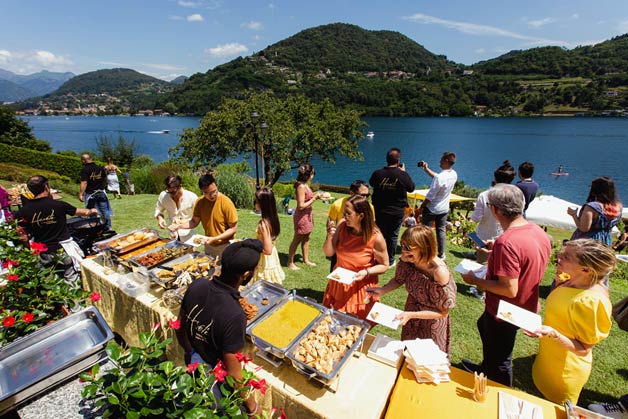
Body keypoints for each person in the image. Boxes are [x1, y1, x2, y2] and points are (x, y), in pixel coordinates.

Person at [460, 184, 551, 387]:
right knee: (483, 326)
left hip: (506, 311)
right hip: (524, 304)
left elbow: (509, 289)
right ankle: (485, 368)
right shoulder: (538, 232)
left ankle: (499, 389)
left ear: (494, 210)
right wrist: (496, 252)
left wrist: (474, 280)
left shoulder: (507, 242)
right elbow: (525, 260)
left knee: (501, 360)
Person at [175, 239, 263, 417]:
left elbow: (179, 326)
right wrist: (253, 408)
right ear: (246, 275)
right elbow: (234, 375)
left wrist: (188, 351)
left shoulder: (197, 285)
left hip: (195, 361)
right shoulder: (235, 315)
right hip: (215, 379)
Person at [527, 239, 615, 404]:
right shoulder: (572, 280)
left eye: (566, 256)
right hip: (549, 358)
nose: (559, 257)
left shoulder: (592, 302)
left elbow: (583, 349)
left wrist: (553, 334)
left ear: (586, 269)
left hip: (564, 371)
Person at [366, 225, 457, 355]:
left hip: (431, 323)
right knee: (407, 355)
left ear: (424, 247)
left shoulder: (439, 272)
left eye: (408, 247)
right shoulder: (408, 259)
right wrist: (383, 290)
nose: (403, 251)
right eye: (402, 245)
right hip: (410, 315)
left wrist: (411, 315)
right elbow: (399, 279)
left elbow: (443, 313)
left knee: (425, 360)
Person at [15, 175, 98, 284]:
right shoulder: (59, 205)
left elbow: (23, 237)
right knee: (72, 281)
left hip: (43, 252)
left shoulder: (23, 211)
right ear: (46, 187)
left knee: (51, 284)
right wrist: (91, 210)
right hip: (63, 249)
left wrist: (29, 248)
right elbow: (80, 212)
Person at [322, 195, 389, 319]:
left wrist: (366, 272)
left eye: (348, 214)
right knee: (331, 322)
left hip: (360, 287)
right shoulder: (342, 226)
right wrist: (329, 236)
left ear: (361, 216)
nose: (344, 217)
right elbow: (328, 253)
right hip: (339, 284)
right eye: (344, 213)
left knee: (354, 327)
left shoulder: (375, 237)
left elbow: (385, 265)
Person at [170, 173, 237, 258]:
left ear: (216, 186)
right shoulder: (200, 202)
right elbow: (194, 222)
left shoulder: (226, 202)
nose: (212, 195)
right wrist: (178, 226)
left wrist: (215, 238)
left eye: (214, 191)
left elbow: (233, 228)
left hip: (225, 246)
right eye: (207, 193)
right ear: (202, 191)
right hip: (208, 244)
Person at [369, 148, 415, 266]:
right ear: (398, 160)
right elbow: (411, 188)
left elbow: (372, 183)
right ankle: (389, 260)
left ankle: (375, 256)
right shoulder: (402, 175)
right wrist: (403, 172)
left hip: (381, 209)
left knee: (379, 233)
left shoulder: (378, 173)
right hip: (397, 211)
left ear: (387, 159)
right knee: (393, 235)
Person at [418, 152, 458, 260]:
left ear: (446, 160)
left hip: (432, 208)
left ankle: (425, 252)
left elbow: (430, 196)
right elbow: (437, 177)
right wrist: (426, 169)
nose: (439, 161)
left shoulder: (440, 177)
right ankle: (441, 254)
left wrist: (422, 206)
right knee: (441, 231)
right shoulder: (454, 174)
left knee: (426, 231)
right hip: (444, 208)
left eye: (441, 159)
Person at [327, 179, 373, 271]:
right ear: (351, 193)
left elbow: (371, 228)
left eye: (367, 195)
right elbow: (330, 222)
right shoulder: (337, 204)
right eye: (362, 195)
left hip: (359, 247)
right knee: (336, 274)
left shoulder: (370, 208)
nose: (365, 198)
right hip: (340, 246)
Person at [568, 176, 623, 247]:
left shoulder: (592, 207)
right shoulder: (618, 206)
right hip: (605, 241)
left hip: (587, 242)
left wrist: (574, 215)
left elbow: (584, 228)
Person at [287, 163, 320, 270]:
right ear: (309, 174)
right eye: (313, 173)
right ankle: (290, 262)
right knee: (297, 240)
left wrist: (315, 197)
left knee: (306, 238)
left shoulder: (305, 184)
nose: (313, 175)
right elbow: (300, 206)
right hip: (301, 217)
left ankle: (306, 260)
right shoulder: (301, 186)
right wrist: (314, 199)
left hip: (307, 215)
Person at [252, 187, 285, 284]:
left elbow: (267, 250)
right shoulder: (272, 219)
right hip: (272, 259)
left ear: (263, 205)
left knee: (263, 286)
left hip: (264, 261)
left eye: (256, 201)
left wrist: (251, 245)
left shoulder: (264, 224)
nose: (255, 203)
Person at [155, 174, 198, 243]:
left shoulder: (192, 197)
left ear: (180, 186)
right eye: (169, 192)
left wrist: (182, 224)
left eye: (173, 192)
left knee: (190, 253)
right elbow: (158, 210)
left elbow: (198, 217)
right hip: (173, 235)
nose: (171, 194)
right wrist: (160, 218)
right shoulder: (163, 196)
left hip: (188, 235)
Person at [79, 153, 112, 230]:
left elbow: (84, 182)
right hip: (101, 192)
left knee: (91, 211)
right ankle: (108, 227)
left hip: (91, 193)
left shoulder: (85, 170)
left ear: (84, 161)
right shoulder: (100, 168)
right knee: (105, 211)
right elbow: (104, 179)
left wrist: (81, 194)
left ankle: (95, 227)